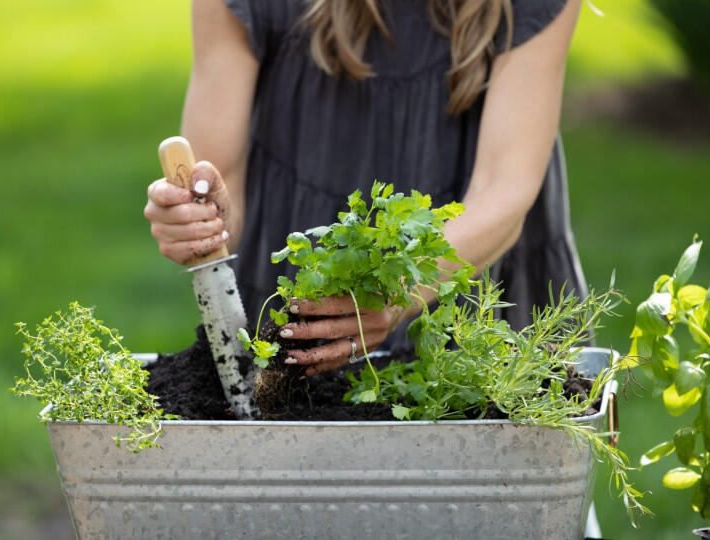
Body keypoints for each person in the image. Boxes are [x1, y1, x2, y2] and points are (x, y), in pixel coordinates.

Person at [145, 0, 587, 376]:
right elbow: (223, 185)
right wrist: (201, 223)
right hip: (302, 292)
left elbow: (504, 187)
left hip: (477, 282)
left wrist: (397, 290)